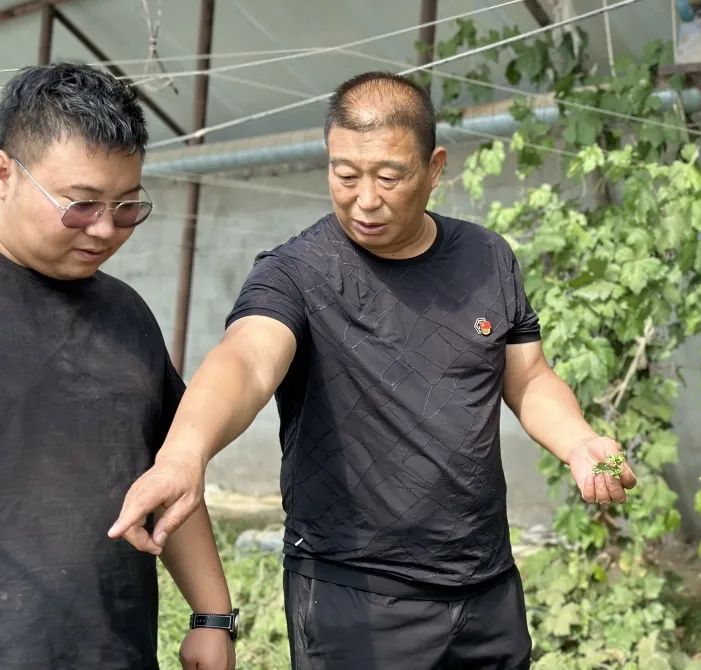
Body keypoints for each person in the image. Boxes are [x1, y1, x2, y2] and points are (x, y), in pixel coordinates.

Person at [109, 71, 637, 669]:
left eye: (389, 177)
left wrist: (579, 442)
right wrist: (185, 454)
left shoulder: (487, 257)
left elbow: (530, 376)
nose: (364, 199)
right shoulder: (296, 273)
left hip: (486, 584)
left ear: (435, 168)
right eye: (345, 174)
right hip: (355, 593)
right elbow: (247, 359)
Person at [0, 63, 236, 669]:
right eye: (80, 205)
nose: (105, 229)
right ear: (4, 174)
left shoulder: (126, 314)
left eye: (127, 207)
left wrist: (212, 616)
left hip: (114, 650)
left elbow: (168, 473)